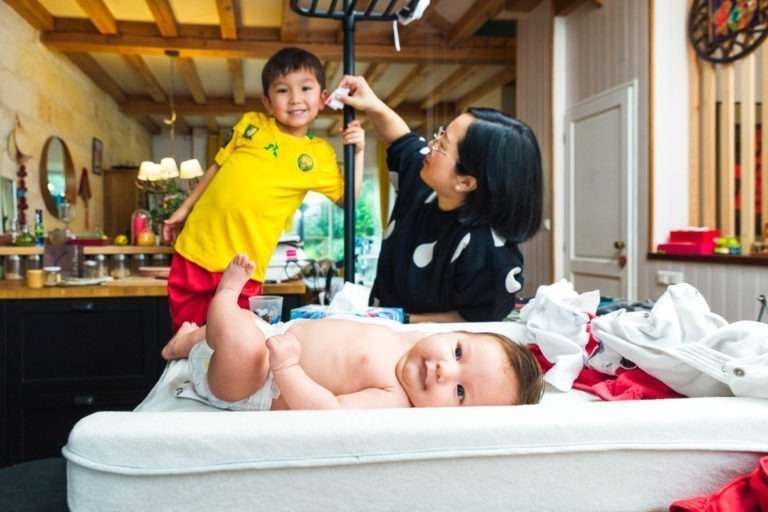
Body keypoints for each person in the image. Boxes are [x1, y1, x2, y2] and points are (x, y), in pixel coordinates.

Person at [161, 253, 544, 411]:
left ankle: (226, 296)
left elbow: (329, 411)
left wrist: (289, 369)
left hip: (252, 382)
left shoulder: (394, 397)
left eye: (459, 392)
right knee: (248, 329)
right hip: (271, 337)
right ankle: (190, 339)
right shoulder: (407, 340)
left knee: (242, 338)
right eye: (459, 352)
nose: (445, 369)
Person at [163, 47, 365, 332]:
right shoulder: (251, 124)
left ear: (322, 99)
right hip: (196, 248)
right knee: (186, 335)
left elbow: (349, 202)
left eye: (305, 88)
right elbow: (216, 168)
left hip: (245, 266)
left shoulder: (319, 155)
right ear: (267, 102)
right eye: (283, 90)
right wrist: (183, 211)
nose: (295, 98)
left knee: (236, 343)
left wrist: (358, 154)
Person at [335, 75, 543, 323]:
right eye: (440, 134)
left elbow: (475, 321)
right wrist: (372, 104)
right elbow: (400, 139)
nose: (431, 145)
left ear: (466, 182)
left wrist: (399, 320)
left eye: (442, 145)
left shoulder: (486, 252)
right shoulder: (424, 182)